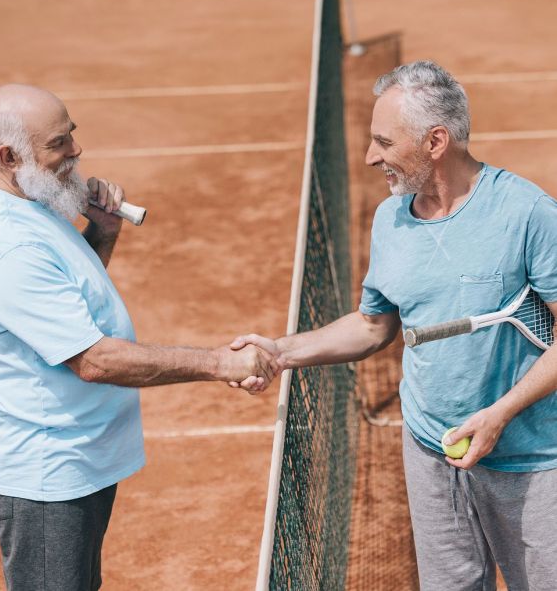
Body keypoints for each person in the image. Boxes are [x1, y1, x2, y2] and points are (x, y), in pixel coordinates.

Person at [232, 60, 557, 590]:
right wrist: (278, 351)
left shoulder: (528, 215)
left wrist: (499, 415)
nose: (370, 157)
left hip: (529, 461)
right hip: (432, 451)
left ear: (435, 141)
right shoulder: (391, 219)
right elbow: (372, 326)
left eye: (383, 141)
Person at [0, 84, 278, 591]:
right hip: (47, 477)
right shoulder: (7, 244)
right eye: (58, 144)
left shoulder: (30, 201)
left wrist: (103, 230)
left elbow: (72, 307)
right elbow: (94, 361)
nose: (75, 152)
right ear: (7, 155)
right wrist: (218, 363)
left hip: (80, 461)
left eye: (72, 136)